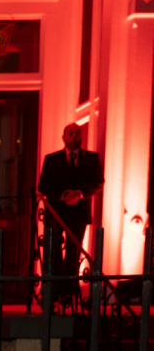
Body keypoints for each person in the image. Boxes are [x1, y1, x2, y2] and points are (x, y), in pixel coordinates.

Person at [37, 122, 104, 294]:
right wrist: (62, 195)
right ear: (63, 137)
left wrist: (79, 194)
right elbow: (43, 185)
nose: (75, 136)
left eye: (78, 133)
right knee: (54, 251)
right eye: (71, 133)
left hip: (79, 213)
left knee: (74, 250)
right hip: (57, 212)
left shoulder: (92, 158)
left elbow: (98, 183)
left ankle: (71, 287)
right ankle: (54, 287)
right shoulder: (52, 159)